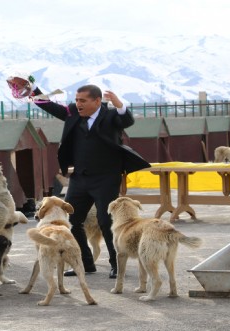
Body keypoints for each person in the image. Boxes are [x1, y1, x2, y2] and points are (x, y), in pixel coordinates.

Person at [25, 81, 150, 278]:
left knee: (105, 220)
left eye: (82, 100)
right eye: (76, 100)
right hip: (80, 178)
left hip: (106, 178)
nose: (78, 104)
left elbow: (127, 121)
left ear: (97, 101)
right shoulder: (73, 112)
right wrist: (32, 91)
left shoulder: (110, 115)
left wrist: (118, 104)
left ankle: (116, 265)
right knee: (72, 219)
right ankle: (85, 263)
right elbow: (49, 105)